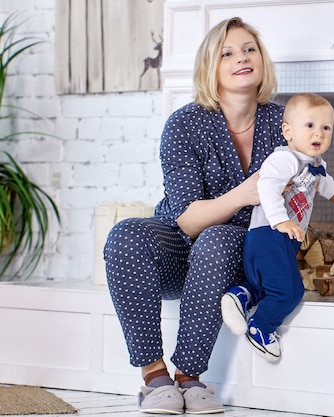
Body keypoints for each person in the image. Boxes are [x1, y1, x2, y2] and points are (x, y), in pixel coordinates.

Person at [104, 17, 286, 415]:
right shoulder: (185, 124)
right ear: (211, 66)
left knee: (219, 238)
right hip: (178, 248)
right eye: (228, 52)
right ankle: (154, 378)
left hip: (241, 252)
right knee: (125, 235)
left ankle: (189, 375)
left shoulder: (281, 122)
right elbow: (186, 220)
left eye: (249, 49)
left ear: (262, 60)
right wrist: (244, 192)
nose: (242, 58)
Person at [220, 93, 334, 362]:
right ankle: (261, 327)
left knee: (269, 283)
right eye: (309, 126)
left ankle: (240, 296)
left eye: (326, 128)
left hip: (280, 237)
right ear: (288, 131)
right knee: (290, 291)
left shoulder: (315, 165)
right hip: (269, 233)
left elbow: (325, 185)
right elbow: (266, 186)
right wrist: (280, 220)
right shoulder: (285, 159)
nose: (318, 133)